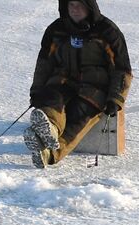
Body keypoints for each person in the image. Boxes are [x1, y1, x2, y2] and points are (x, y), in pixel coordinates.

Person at [25, 0, 132, 168]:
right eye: (71, 5)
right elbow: (44, 63)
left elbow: (122, 69)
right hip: (62, 80)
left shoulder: (107, 32)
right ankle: (50, 129)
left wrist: (115, 98)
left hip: (94, 87)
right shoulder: (56, 30)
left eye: (80, 5)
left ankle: (50, 153)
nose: (75, 9)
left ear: (89, 7)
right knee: (51, 98)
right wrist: (37, 91)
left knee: (79, 114)